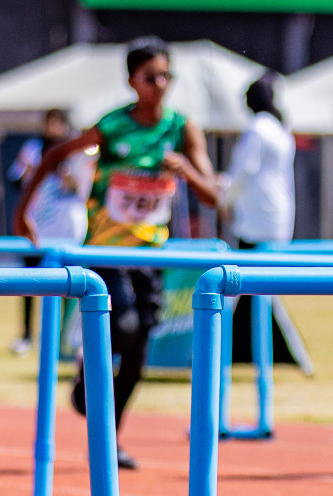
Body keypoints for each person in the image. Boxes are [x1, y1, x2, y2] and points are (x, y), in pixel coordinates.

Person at [12, 38, 219, 470]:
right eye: (150, 78)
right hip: (105, 250)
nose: (160, 85)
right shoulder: (111, 127)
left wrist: (186, 170)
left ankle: (111, 437)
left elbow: (214, 196)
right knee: (122, 325)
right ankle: (89, 367)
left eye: (166, 76)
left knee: (139, 354)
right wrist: (22, 215)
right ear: (131, 81)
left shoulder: (182, 128)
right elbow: (53, 156)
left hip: (152, 254)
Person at [8, 108, 90, 355]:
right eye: (49, 123)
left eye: (57, 123)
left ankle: (64, 338)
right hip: (36, 225)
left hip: (66, 228)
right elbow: (15, 181)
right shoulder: (33, 148)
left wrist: (67, 175)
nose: (52, 128)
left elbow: (83, 189)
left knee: (68, 283)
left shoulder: (75, 152)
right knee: (30, 281)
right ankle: (27, 334)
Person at [222, 73, 296, 249]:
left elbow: (243, 171)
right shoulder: (280, 128)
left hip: (255, 222)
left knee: (251, 273)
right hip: (278, 217)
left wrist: (226, 202)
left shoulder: (257, 128)